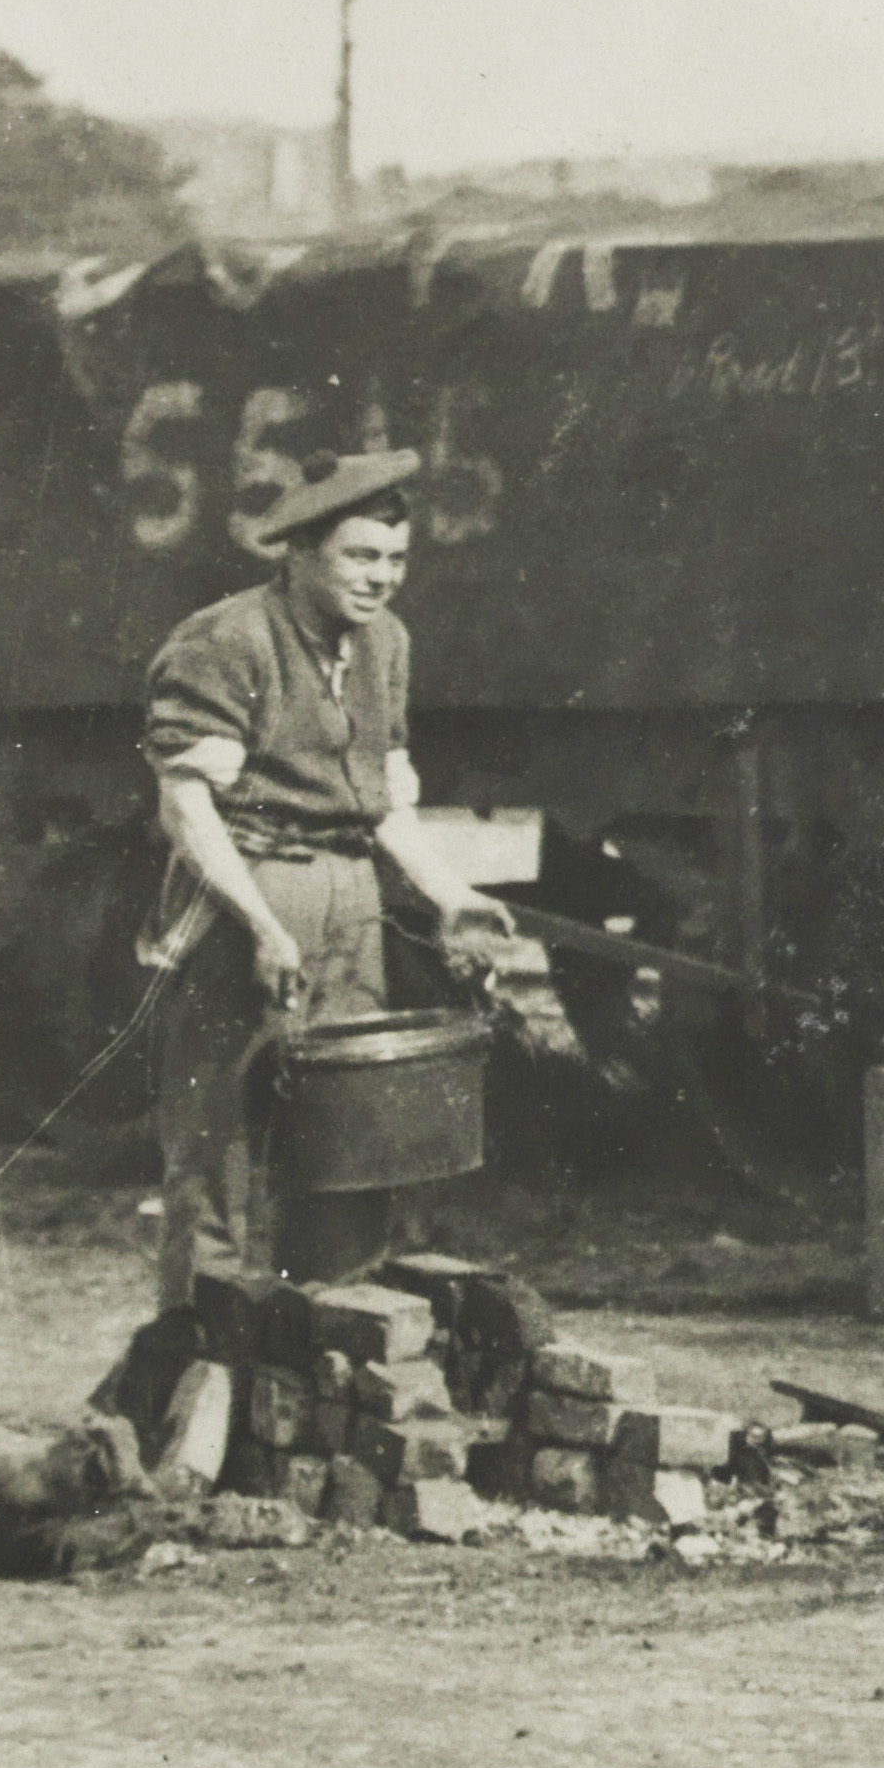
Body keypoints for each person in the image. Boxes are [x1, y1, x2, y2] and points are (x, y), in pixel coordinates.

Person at [140, 450, 523, 1302]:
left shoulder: (385, 644)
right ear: (301, 553)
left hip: (352, 902)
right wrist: (262, 928)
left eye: (395, 559)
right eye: (360, 556)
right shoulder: (227, 641)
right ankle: (205, 1369)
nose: (381, 579)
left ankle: (331, 1347)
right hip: (248, 891)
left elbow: (385, 805)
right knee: (220, 1151)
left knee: (350, 1137)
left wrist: (451, 893)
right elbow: (187, 808)